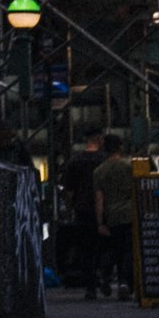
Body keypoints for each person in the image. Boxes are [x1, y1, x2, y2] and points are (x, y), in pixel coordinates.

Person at [92, 132, 138, 299]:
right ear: (120, 147)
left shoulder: (99, 171)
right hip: (129, 214)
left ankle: (105, 276)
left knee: (112, 249)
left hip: (111, 216)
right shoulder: (129, 167)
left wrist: (100, 223)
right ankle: (125, 282)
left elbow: (99, 199)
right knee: (128, 250)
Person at [60, 128, 106, 295]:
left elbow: (69, 189)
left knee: (86, 248)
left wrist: (70, 208)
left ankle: (91, 286)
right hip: (104, 210)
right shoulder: (104, 160)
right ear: (99, 139)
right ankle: (104, 278)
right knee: (104, 246)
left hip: (82, 209)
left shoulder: (75, 161)